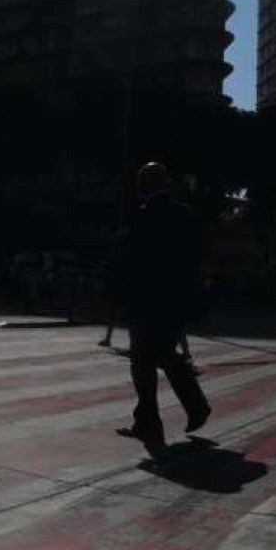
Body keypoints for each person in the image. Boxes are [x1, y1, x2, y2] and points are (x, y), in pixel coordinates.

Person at [113, 162, 212, 445]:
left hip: (148, 299)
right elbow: (199, 253)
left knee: (148, 359)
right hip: (176, 299)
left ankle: (172, 415)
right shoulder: (184, 215)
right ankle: (176, 413)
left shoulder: (145, 217)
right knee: (158, 354)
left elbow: (128, 258)